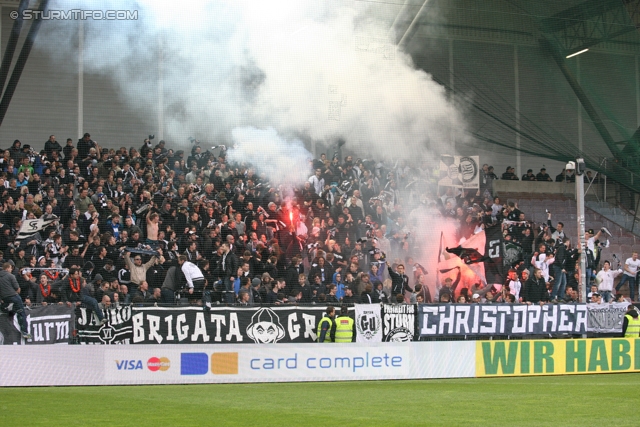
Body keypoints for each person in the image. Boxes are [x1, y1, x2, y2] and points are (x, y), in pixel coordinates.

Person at [0, 263, 31, 339]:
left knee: (7, 313)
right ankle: (25, 332)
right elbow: (18, 289)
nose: (11, 270)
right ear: (7, 268)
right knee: (21, 313)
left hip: (4, 299)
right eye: (10, 268)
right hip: (14, 297)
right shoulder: (11, 276)